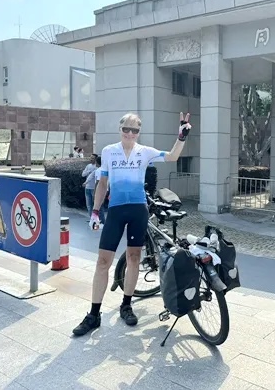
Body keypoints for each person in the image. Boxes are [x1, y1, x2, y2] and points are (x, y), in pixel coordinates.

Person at [72, 112, 192, 336]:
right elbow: (102, 183)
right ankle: (93, 314)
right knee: (102, 262)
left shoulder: (144, 152)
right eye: (126, 129)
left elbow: (173, 157)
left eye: (134, 130)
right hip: (116, 210)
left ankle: (126, 304)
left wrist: (182, 136)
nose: (129, 133)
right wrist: (95, 212)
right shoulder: (109, 151)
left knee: (134, 258)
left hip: (138, 209)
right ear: (120, 130)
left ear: (139, 132)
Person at [82, 154, 98, 222]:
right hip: (87, 187)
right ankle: (91, 218)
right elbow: (83, 174)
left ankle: (96, 219)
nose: (91, 159)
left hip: (94, 188)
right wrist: (88, 171)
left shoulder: (97, 167)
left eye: (93, 158)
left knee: (95, 204)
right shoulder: (88, 166)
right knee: (89, 205)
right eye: (90, 158)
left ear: (96, 159)